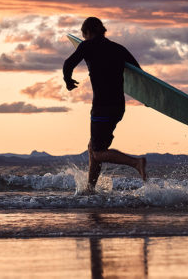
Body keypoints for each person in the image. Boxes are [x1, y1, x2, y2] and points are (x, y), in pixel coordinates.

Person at [63, 17, 147, 191]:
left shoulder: (87, 46)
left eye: (84, 35)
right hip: (118, 107)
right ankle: (90, 189)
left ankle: (136, 163)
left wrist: (68, 81)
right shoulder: (118, 49)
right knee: (93, 147)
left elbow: (68, 64)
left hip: (102, 107)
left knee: (97, 152)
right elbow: (140, 74)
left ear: (87, 32)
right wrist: (147, 99)